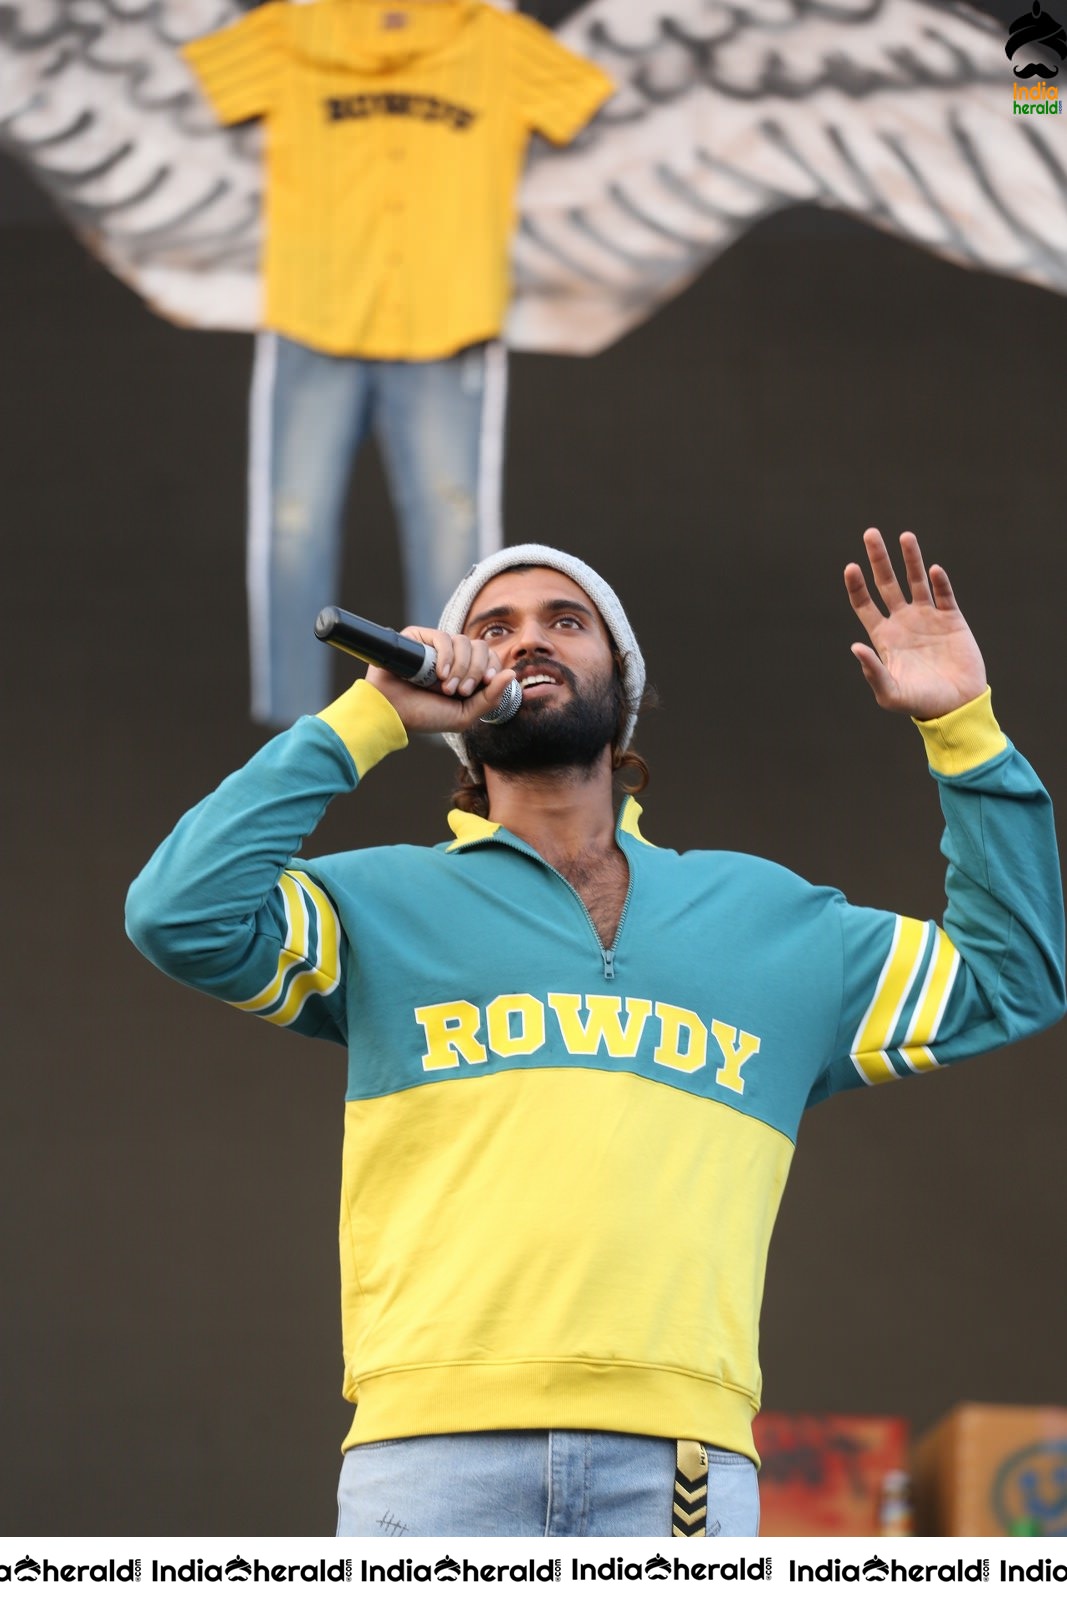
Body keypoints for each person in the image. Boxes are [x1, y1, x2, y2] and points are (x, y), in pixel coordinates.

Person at [125, 532, 1065, 1538]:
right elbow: (178, 913)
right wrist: (370, 716)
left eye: (564, 622)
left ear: (624, 684)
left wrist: (960, 728)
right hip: (429, 1461)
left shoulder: (769, 919)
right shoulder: (375, 903)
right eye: (493, 628)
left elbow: (1013, 972)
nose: (527, 641)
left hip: (678, 1468)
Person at [180, 0, 612, 728]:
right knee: (293, 523)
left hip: (444, 322)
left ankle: (457, 709)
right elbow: (215, 85)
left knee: (453, 523)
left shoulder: (498, 46)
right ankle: (293, 720)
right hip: (318, 316)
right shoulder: (289, 35)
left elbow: (578, 99)